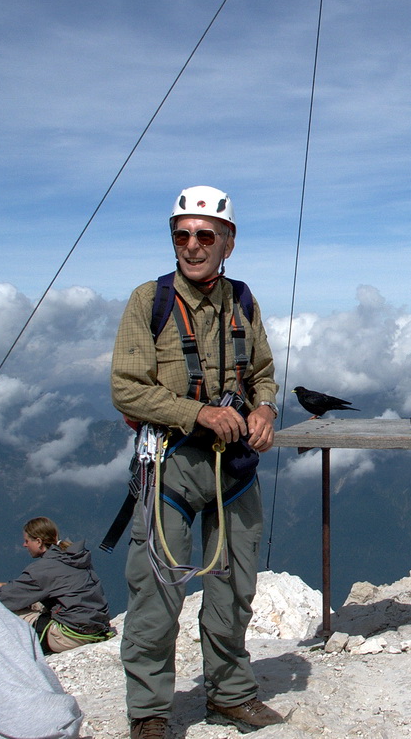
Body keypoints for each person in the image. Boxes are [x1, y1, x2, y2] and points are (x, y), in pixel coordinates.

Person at [110, 186, 282, 739]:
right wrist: (200, 414)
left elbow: (261, 373)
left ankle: (230, 695)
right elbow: (127, 389)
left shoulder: (243, 301)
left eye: (204, 234)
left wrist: (267, 411)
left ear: (228, 241)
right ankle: (150, 714)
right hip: (170, 467)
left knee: (235, 589)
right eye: (181, 234)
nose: (191, 245)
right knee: (156, 594)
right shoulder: (149, 301)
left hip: (232, 468)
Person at [0, 516, 114, 654]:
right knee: (34, 602)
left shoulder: (44, 569)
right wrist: (8, 586)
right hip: (96, 626)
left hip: (70, 635)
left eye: (27, 541)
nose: (24, 545)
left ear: (38, 541)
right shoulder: (73, 556)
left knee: (3, 611)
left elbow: (7, 598)